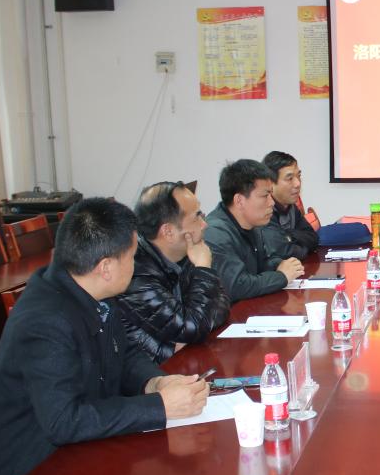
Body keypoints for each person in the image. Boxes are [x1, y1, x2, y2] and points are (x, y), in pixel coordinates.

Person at [0, 197, 208, 475]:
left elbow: (123, 353)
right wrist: (159, 406)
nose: (136, 264)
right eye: (132, 256)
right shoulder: (43, 322)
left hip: (81, 454)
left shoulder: (91, 290)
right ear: (106, 268)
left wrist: (154, 382)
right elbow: (64, 421)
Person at [117, 181, 231, 363]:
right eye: (197, 217)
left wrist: (194, 328)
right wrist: (203, 268)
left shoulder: (185, 253)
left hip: (184, 362)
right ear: (168, 232)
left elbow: (222, 306)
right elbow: (193, 327)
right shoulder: (136, 273)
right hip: (156, 373)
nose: (204, 224)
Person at [205, 159, 305, 302]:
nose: (272, 202)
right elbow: (236, 286)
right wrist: (282, 276)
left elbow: (262, 264)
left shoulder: (252, 224)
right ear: (239, 200)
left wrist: (280, 264)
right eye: (265, 196)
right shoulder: (215, 233)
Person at [261, 151, 319, 261]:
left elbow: (313, 239)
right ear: (270, 183)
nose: (298, 184)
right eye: (290, 178)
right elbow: (284, 252)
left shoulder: (291, 207)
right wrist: (299, 242)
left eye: (299, 176)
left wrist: (288, 234)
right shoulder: (264, 210)